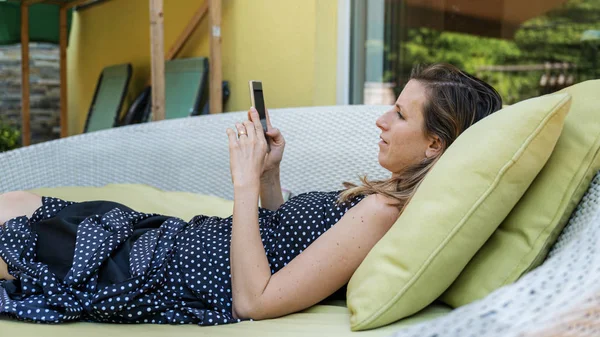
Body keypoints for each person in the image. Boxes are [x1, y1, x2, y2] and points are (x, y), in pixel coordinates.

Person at [0, 63, 502, 325]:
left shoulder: (385, 213)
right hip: (167, 240)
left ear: (436, 145)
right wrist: (268, 178)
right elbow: (289, 241)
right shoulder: (389, 196)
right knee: (19, 200)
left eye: (400, 113)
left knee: (14, 232)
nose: (381, 119)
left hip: (158, 270)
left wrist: (241, 184)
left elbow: (254, 301)